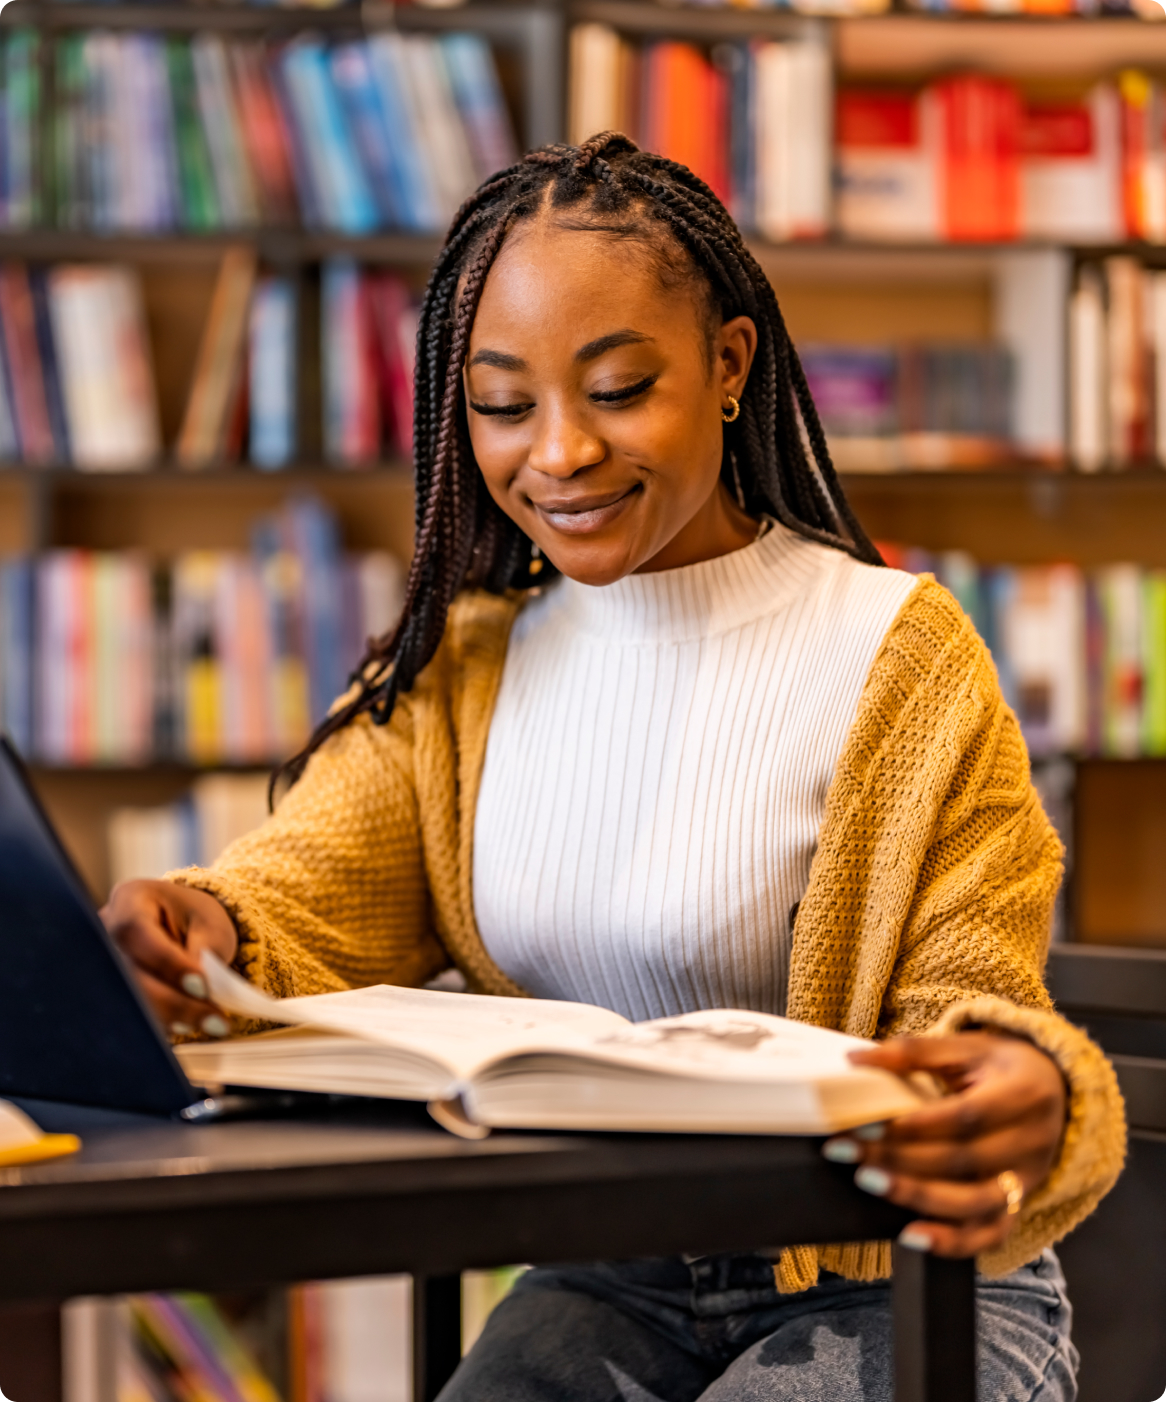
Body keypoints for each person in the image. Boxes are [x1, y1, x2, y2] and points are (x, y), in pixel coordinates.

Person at [102, 134, 1124, 1401]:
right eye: (503, 403)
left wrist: (1018, 1082)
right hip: (605, 1270)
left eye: (619, 386)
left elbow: (977, 993)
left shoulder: (900, 658)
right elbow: (302, 883)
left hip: (888, 1278)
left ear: (728, 364)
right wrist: (205, 924)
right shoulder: (468, 667)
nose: (561, 454)